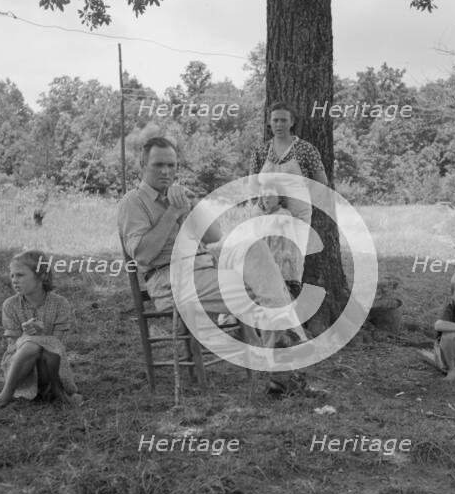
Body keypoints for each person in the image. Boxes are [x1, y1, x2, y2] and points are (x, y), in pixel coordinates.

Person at [117, 137, 311, 374]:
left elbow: (213, 235)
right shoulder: (133, 202)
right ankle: (286, 354)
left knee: (254, 248)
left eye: (171, 165)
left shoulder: (178, 196)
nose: (166, 171)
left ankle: (283, 346)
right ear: (142, 165)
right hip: (170, 279)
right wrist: (171, 213)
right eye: (158, 165)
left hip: (206, 268)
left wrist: (192, 204)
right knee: (265, 285)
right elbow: (143, 256)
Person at [0, 250, 80, 411]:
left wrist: (40, 337)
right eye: (12, 275)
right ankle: (7, 394)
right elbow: (12, 345)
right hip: (20, 369)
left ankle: (12, 395)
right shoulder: (10, 305)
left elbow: (57, 347)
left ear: (42, 276)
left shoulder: (60, 304)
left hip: (50, 366)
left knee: (42, 347)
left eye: (20, 275)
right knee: (30, 345)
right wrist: (27, 336)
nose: (14, 280)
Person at [249, 102, 328, 284]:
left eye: (283, 120)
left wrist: (305, 201)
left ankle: (289, 304)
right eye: (275, 120)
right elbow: (252, 186)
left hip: (297, 213)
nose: (279, 125)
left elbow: (322, 184)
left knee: (291, 260)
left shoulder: (305, 150)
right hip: (266, 213)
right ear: (269, 122)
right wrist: (260, 209)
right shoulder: (260, 151)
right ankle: (266, 305)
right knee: (265, 259)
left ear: (292, 122)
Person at [251, 183, 302, 298]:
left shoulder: (283, 215)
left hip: (280, 258)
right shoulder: (263, 217)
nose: (267, 199)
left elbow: (290, 237)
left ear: (280, 198)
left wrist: (287, 254)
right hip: (266, 258)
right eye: (264, 195)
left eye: (271, 195)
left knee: (281, 287)